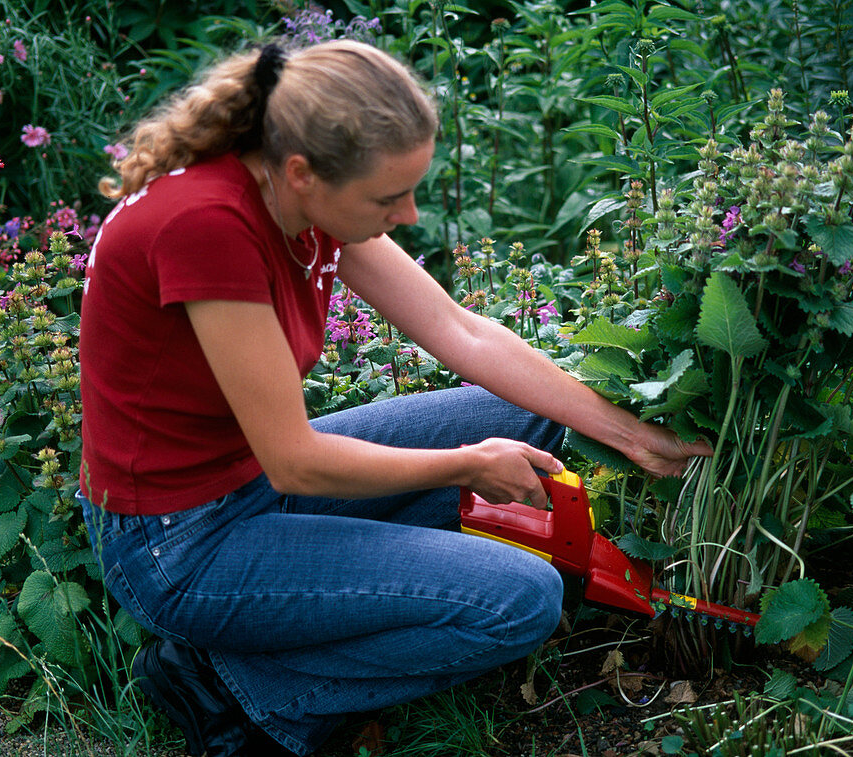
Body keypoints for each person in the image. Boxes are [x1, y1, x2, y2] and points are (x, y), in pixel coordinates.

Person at [77, 39, 711, 757]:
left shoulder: (296, 195)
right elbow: (297, 463)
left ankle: (298, 626)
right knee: (523, 599)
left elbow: (457, 329)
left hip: (247, 481)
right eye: (388, 197)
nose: (408, 215)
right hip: (182, 546)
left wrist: (628, 432)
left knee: (530, 416)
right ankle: (241, 690)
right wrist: (466, 465)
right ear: (302, 173)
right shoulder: (209, 228)